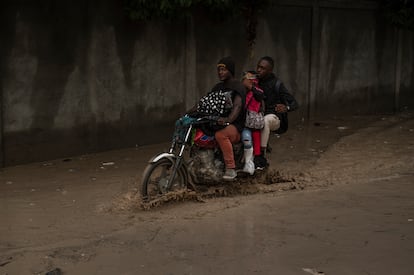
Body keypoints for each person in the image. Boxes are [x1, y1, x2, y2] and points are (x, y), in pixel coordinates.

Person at [187, 56, 245, 180]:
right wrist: (189, 113)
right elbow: (205, 102)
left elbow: (237, 106)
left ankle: (230, 168)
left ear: (230, 70)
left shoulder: (238, 87)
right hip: (217, 123)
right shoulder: (217, 88)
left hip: (234, 126)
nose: (220, 72)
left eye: (223, 69)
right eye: (219, 70)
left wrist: (228, 119)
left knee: (220, 135)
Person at [255, 56, 298, 169]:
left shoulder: (277, 84)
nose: (259, 70)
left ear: (270, 71)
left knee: (265, 121)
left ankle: (261, 156)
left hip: (274, 118)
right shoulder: (254, 81)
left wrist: (286, 108)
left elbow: (294, 103)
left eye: (262, 68)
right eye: (258, 67)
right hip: (256, 117)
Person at [241, 71, 264, 175]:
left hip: (252, 122)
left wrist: (251, 87)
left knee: (251, 137)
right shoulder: (241, 91)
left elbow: (260, 95)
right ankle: (247, 162)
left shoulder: (257, 90)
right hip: (243, 122)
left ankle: (252, 162)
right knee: (246, 138)